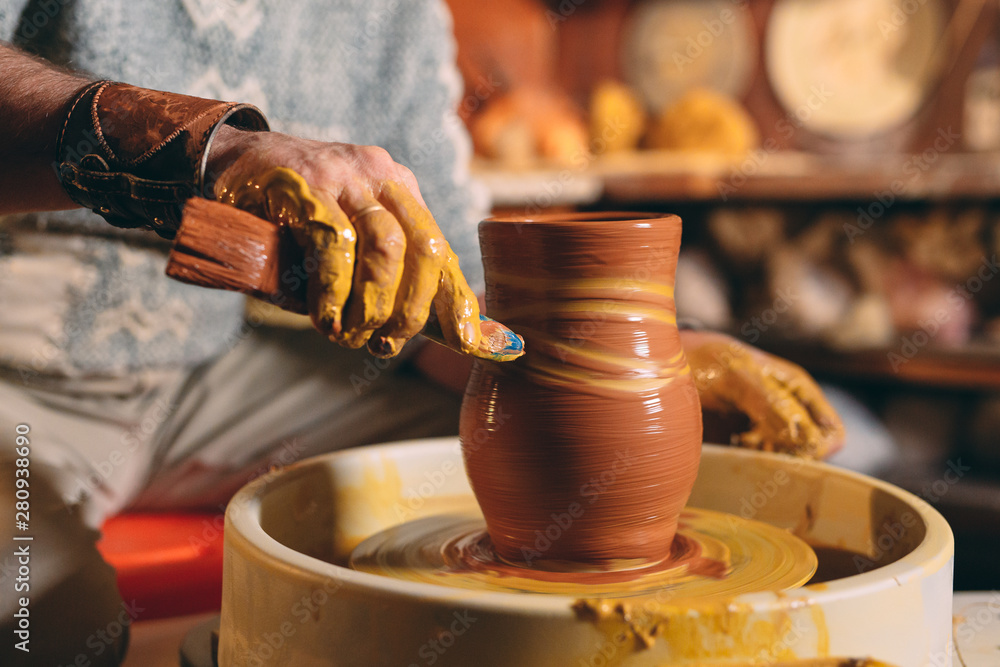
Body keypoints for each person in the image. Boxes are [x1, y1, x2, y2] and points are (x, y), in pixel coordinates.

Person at [0, 1, 843, 665]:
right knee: (45, 630)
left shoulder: (395, 12)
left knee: (560, 448)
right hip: (23, 373)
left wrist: (663, 358)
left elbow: (443, 294)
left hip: (210, 368)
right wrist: (206, 151)